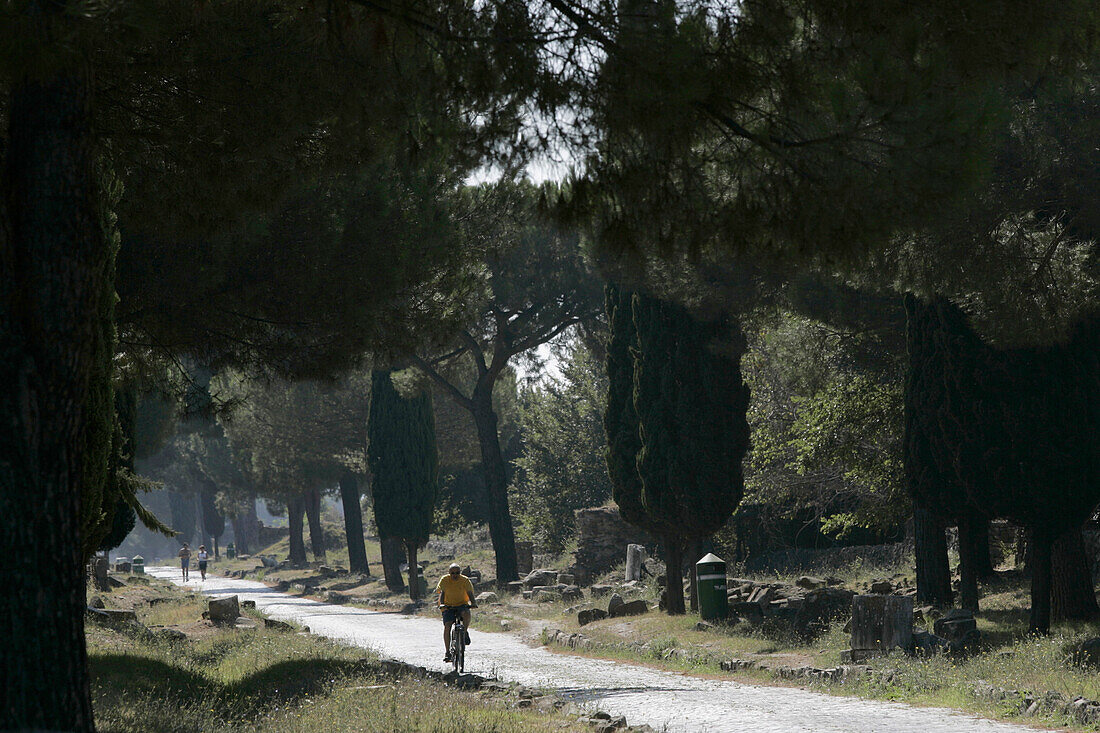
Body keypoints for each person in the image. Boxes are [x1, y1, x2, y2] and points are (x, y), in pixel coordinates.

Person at [436, 562, 477, 663]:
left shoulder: (465, 580)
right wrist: (442, 604)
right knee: (447, 626)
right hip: (448, 605)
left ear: (460, 573)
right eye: (452, 573)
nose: (455, 575)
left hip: (461, 604)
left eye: (457, 573)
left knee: (466, 613)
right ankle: (447, 652)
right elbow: (442, 592)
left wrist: (473, 603)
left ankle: (464, 631)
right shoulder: (445, 579)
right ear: (449, 573)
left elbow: (469, 593)